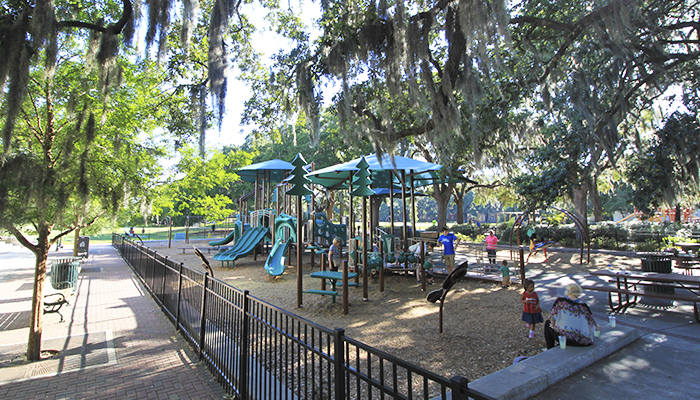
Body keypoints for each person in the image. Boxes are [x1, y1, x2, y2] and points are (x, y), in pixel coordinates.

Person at [544, 283, 601, 349]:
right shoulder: (584, 306)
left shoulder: (560, 302)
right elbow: (592, 324)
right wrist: (597, 328)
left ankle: (550, 348)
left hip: (566, 339)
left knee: (548, 323)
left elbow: (552, 317)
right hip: (582, 341)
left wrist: (553, 325)